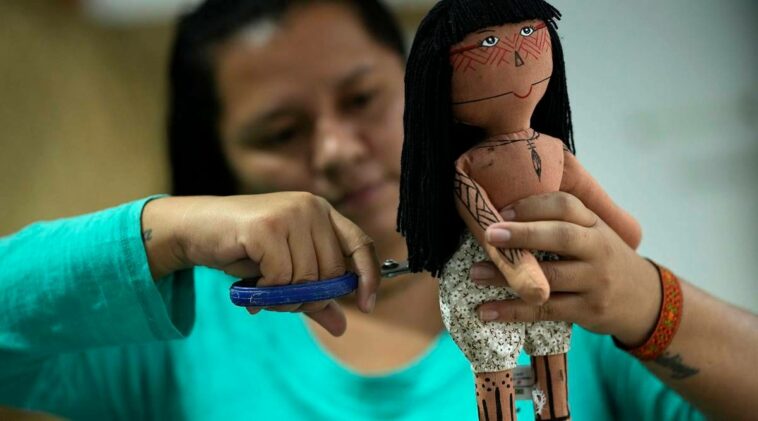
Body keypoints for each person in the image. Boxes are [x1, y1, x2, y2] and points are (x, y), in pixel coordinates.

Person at [0, 0, 755, 419]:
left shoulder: (561, 290)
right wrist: (166, 226)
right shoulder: (182, 329)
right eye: (278, 132)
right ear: (221, 157)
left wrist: (648, 299)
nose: (334, 148)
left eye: (362, 98)